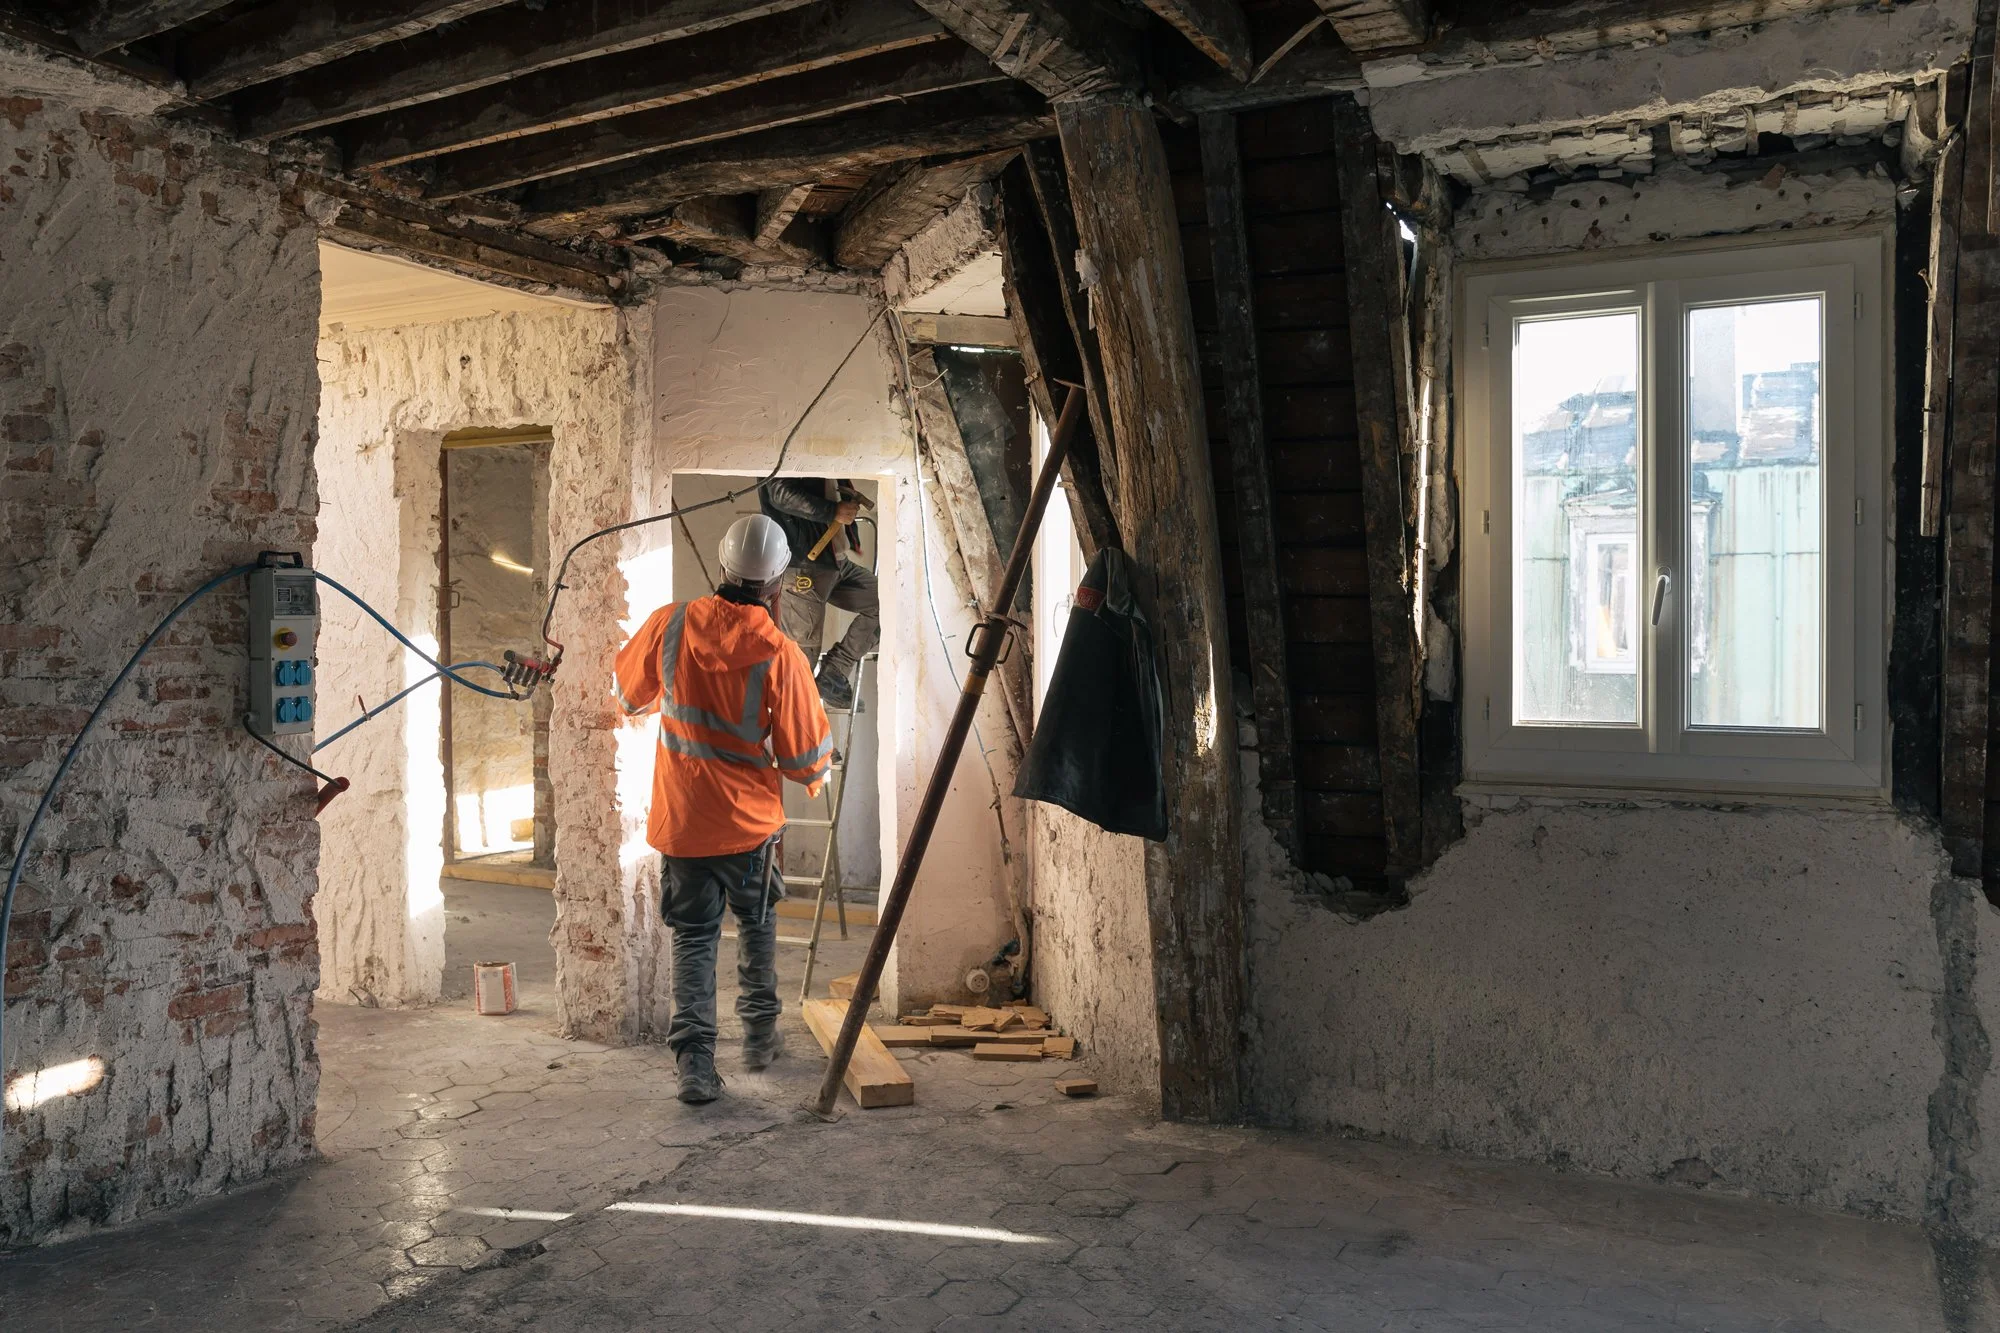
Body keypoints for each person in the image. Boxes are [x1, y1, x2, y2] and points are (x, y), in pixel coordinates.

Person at [612, 513, 833, 1104]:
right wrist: (816, 770)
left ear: (722, 565)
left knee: (693, 938)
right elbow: (805, 758)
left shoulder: (671, 622)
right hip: (749, 828)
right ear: (778, 582)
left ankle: (695, 1065)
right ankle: (760, 1037)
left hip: (683, 822)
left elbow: (629, 694)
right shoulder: (779, 654)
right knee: (757, 925)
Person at [760, 477, 880, 708]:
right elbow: (779, 494)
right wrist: (832, 510)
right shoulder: (784, 449)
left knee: (885, 603)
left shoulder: (815, 450)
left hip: (835, 561)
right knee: (800, 663)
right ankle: (797, 739)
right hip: (803, 567)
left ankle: (834, 673)